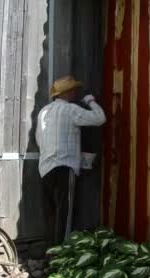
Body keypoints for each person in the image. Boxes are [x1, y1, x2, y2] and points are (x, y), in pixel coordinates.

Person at [36, 75, 107, 246]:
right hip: (64, 166)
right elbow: (99, 118)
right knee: (65, 213)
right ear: (67, 93)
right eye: (74, 89)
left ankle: (50, 250)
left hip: (45, 167)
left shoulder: (43, 112)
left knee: (51, 212)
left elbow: (39, 139)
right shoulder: (71, 110)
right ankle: (62, 253)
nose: (76, 92)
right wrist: (90, 101)